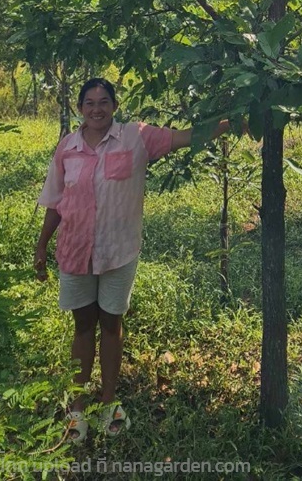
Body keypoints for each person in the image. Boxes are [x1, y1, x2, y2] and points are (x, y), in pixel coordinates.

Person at [34, 77, 231, 442]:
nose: (97, 109)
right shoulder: (67, 148)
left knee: (111, 324)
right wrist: (42, 245)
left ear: (115, 105)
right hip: (75, 251)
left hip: (118, 252)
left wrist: (231, 122)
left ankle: (108, 400)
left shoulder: (136, 137)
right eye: (90, 102)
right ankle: (78, 406)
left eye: (104, 101)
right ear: (80, 108)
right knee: (82, 327)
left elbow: (187, 136)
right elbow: (54, 201)